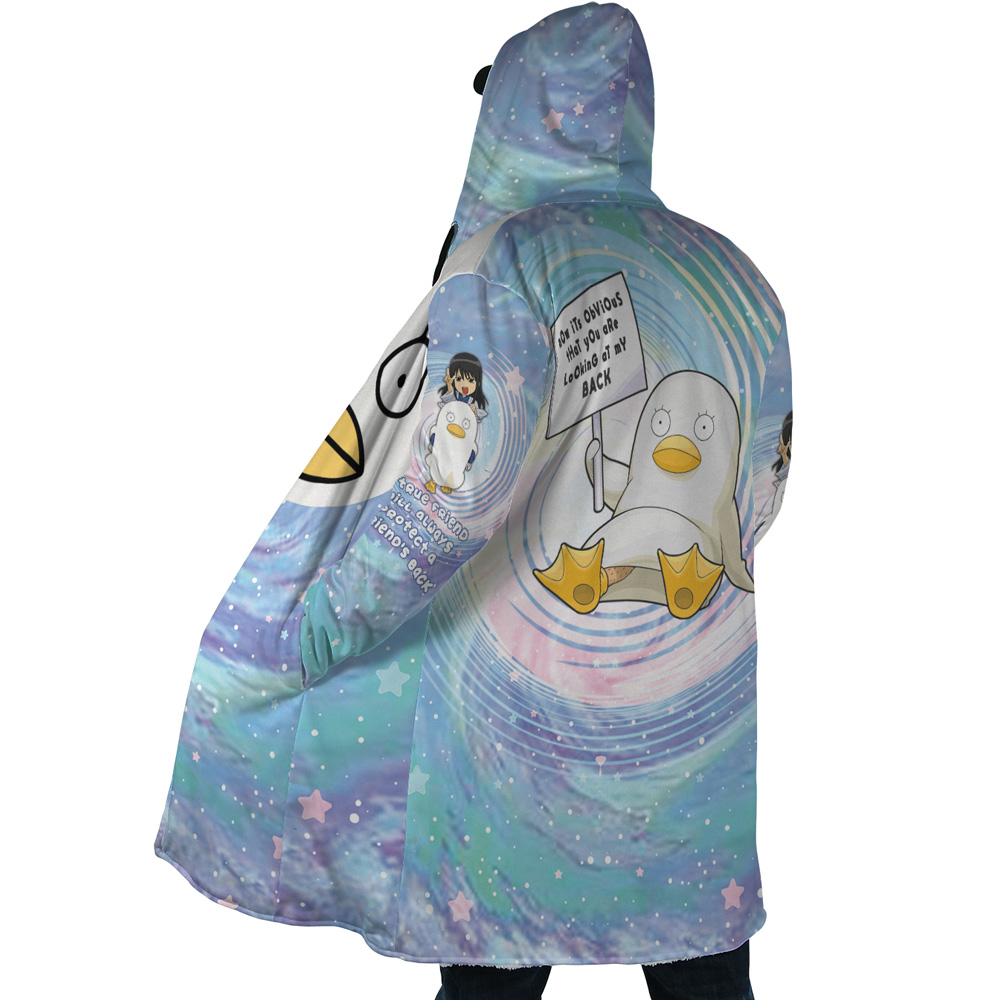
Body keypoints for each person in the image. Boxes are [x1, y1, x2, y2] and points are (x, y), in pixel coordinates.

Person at [154, 4, 792, 998]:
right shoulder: (736, 272)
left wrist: (315, 627)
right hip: (692, 742)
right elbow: (761, 490)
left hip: (514, 738)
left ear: (516, 112)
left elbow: (454, 494)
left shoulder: (507, 256)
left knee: (492, 979)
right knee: (706, 982)